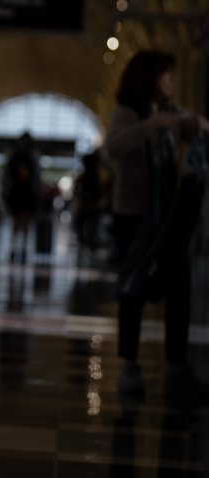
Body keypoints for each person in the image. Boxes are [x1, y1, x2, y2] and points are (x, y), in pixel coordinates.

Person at [104, 50, 209, 403]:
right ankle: (129, 366)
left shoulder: (172, 111)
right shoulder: (127, 112)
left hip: (166, 217)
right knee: (133, 289)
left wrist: (194, 125)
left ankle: (176, 367)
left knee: (179, 286)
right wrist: (153, 125)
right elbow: (114, 146)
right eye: (165, 74)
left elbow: (191, 126)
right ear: (148, 77)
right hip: (133, 215)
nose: (170, 81)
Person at [1, 131, 41, 263]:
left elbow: (6, 175)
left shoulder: (15, 155)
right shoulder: (32, 155)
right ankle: (21, 249)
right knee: (24, 222)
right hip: (26, 193)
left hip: (17, 192)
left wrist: (5, 192)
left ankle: (14, 249)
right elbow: (37, 178)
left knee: (16, 222)